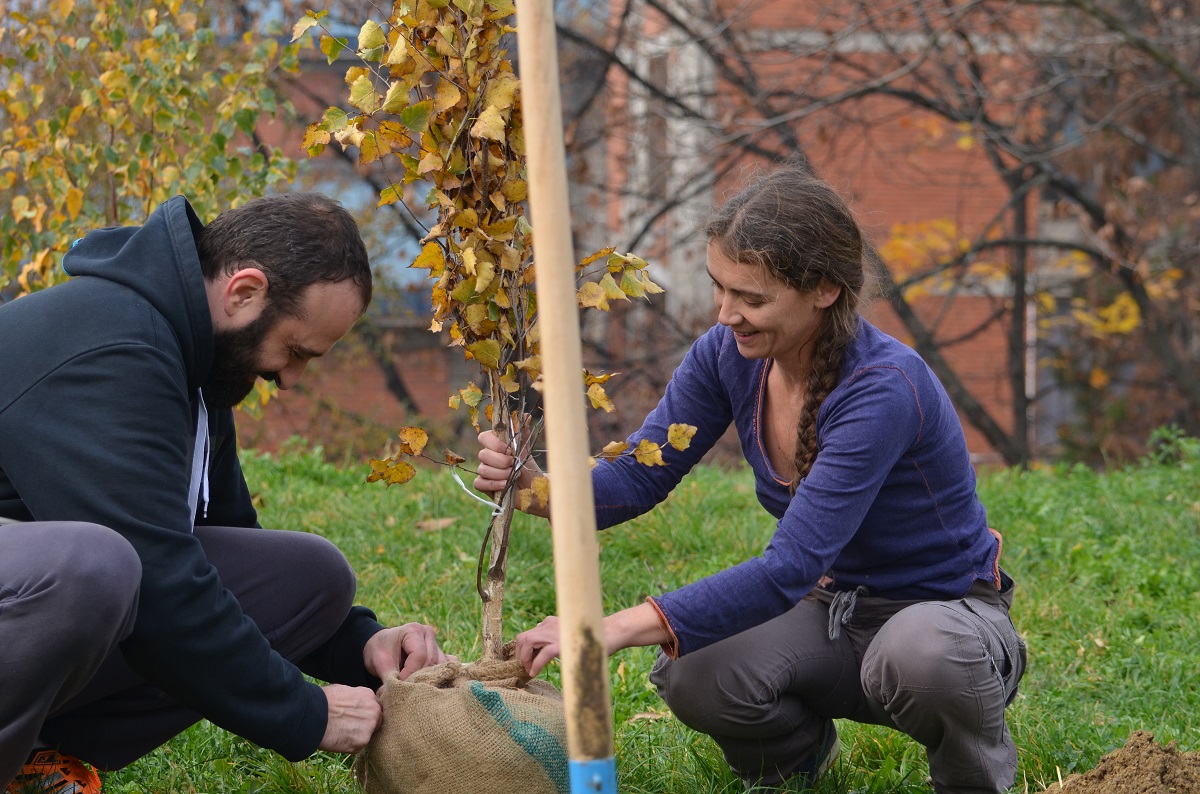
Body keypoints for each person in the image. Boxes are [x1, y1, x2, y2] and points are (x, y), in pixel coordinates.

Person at [474, 164, 1027, 794]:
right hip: (832, 614)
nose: (726, 313)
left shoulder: (883, 389)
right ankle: (795, 766)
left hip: (945, 624)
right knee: (696, 666)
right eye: (720, 288)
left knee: (921, 653)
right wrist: (539, 489)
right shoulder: (727, 355)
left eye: (752, 299)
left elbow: (788, 567)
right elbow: (638, 477)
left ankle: (971, 780)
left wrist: (607, 630)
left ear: (824, 289)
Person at [0, 193, 449, 793]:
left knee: (309, 577)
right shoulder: (114, 348)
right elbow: (162, 587)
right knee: (93, 566)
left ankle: (32, 758)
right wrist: (305, 713)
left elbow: (232, 555)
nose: (290, 380)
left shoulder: (195, 360)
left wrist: (361, 646)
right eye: (296, 351)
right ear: (244, 291)